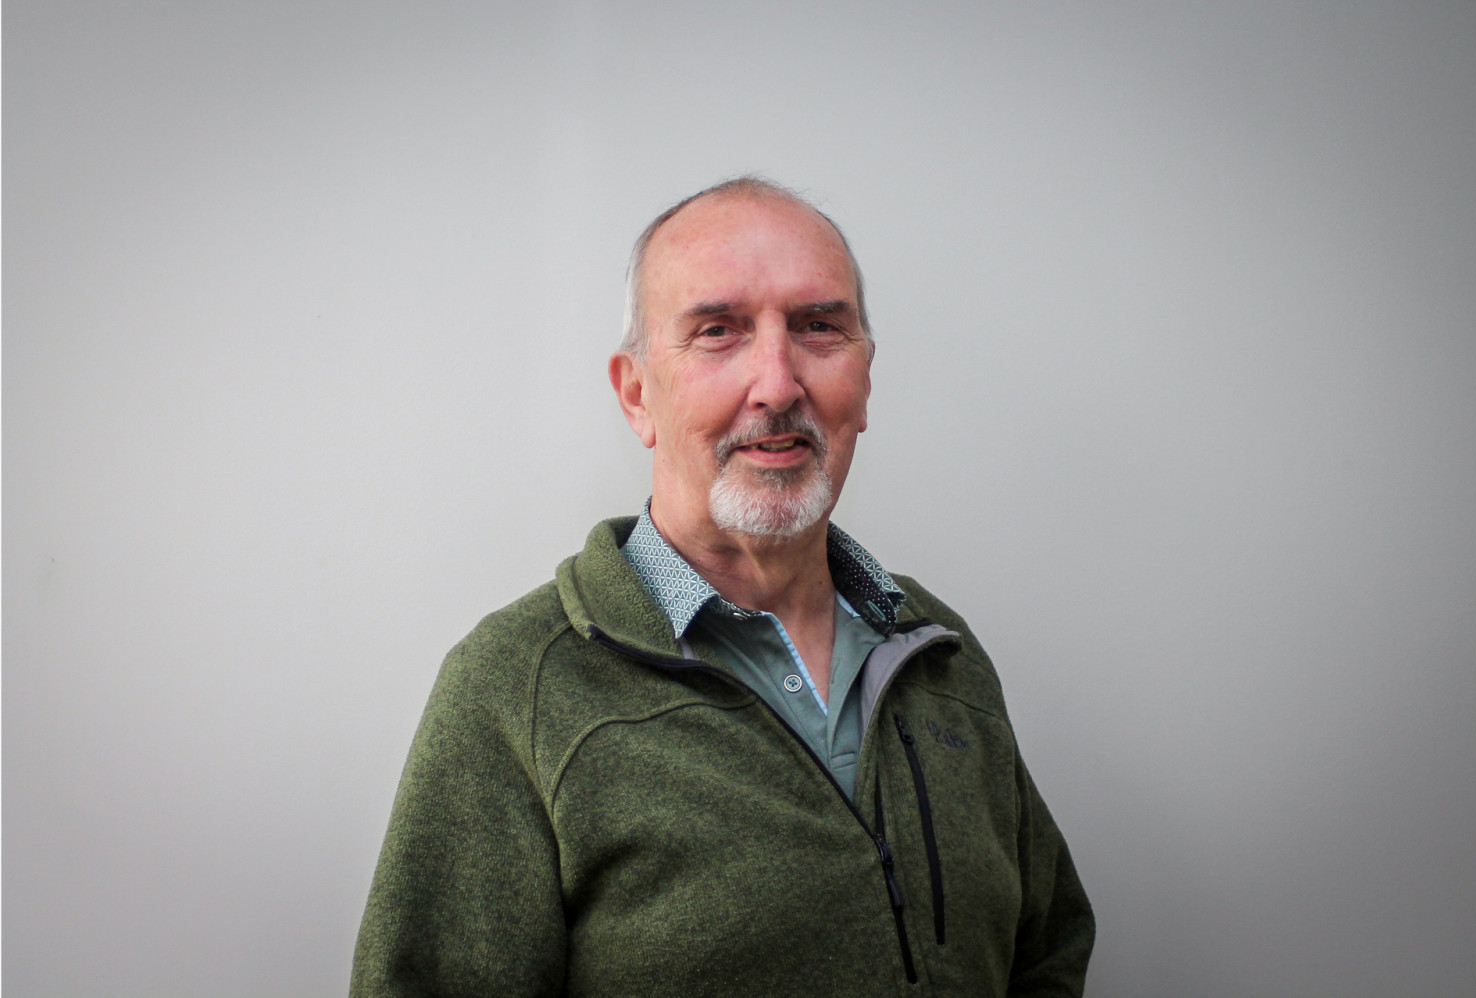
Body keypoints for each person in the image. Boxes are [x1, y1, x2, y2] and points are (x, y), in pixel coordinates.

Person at [351, 177, 1094, 996]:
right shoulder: (513, 690)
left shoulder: (939, 650)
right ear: (638, 394)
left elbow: (1049, 947)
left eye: (819, 328)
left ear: (866, 381)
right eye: (718, 332)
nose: (777, 384)